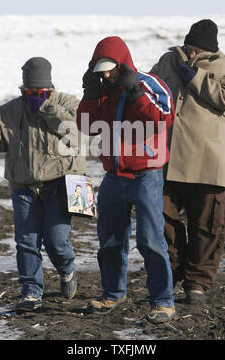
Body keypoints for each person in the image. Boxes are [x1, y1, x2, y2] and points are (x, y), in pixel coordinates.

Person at [76, 36, 176, 323]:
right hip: (114, 176)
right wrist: (90, 93)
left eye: (109, 68)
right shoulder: (103, 89)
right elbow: (86, 127)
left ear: (122, 63)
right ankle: (113, 294)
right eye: (100, 70)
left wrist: (136, 93)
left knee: (150, 239)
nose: (106, 74)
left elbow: (164, 119)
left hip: (147, 174)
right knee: (109, 239)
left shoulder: (149, 83)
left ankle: (163, 301)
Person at [0, 57, 85, 312]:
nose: (33, 96)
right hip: (23, 186)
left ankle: (67, 269)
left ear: (49, 87)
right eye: (28, 91)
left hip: (58, 184)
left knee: (56, 241)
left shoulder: (68, 104)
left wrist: (47, 108)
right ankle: (31, 291)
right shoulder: (13, 109)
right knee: (26, 242)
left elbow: (76, 133)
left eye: (39, 92)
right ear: (22, 88)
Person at [150, 19, 225, 304]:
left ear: (210, 51)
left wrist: (195, 77)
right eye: (190, 49)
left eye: (198, 52)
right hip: (168, 159)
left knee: (207, 226)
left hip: (207, 162)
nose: (192, 55)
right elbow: (149, 92)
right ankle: (173, 276)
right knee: (163, 221)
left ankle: (198, 284)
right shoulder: (168, 61)